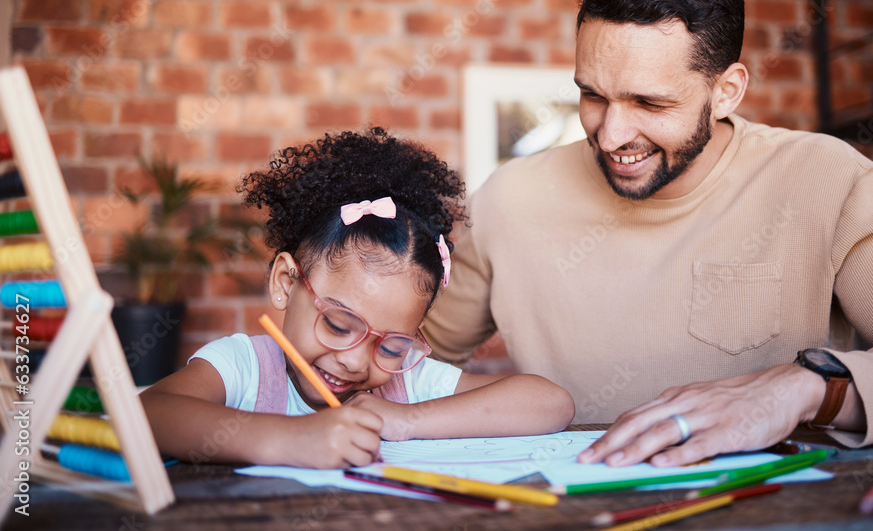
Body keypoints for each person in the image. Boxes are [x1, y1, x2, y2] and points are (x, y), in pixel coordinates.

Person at [423, 0, 873, 468]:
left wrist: (804, 388)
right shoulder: (509, 199)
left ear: (727, 91)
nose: (610, 134)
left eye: (650, 103)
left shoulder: (825, 180)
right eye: (593, 95)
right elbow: (405, 363)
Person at [141, 128, 575, 469]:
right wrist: (291, 439)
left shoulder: (404, 386)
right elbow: (146, 414)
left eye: (390, 345)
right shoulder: (244, 367)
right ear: (286, 283)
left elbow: (551, 404)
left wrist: (405, 420)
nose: (355, 361)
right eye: (338, 325)